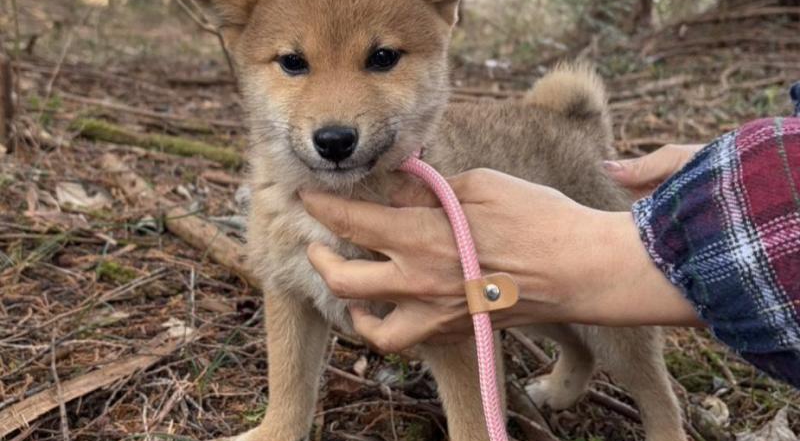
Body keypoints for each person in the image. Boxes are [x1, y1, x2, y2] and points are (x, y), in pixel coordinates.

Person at [301, 94, 800, 387]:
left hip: (571, 163)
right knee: (547, 306)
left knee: (618, 335)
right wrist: (754, 167)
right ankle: (575, 364)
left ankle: (664, 425)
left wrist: (614, 258)